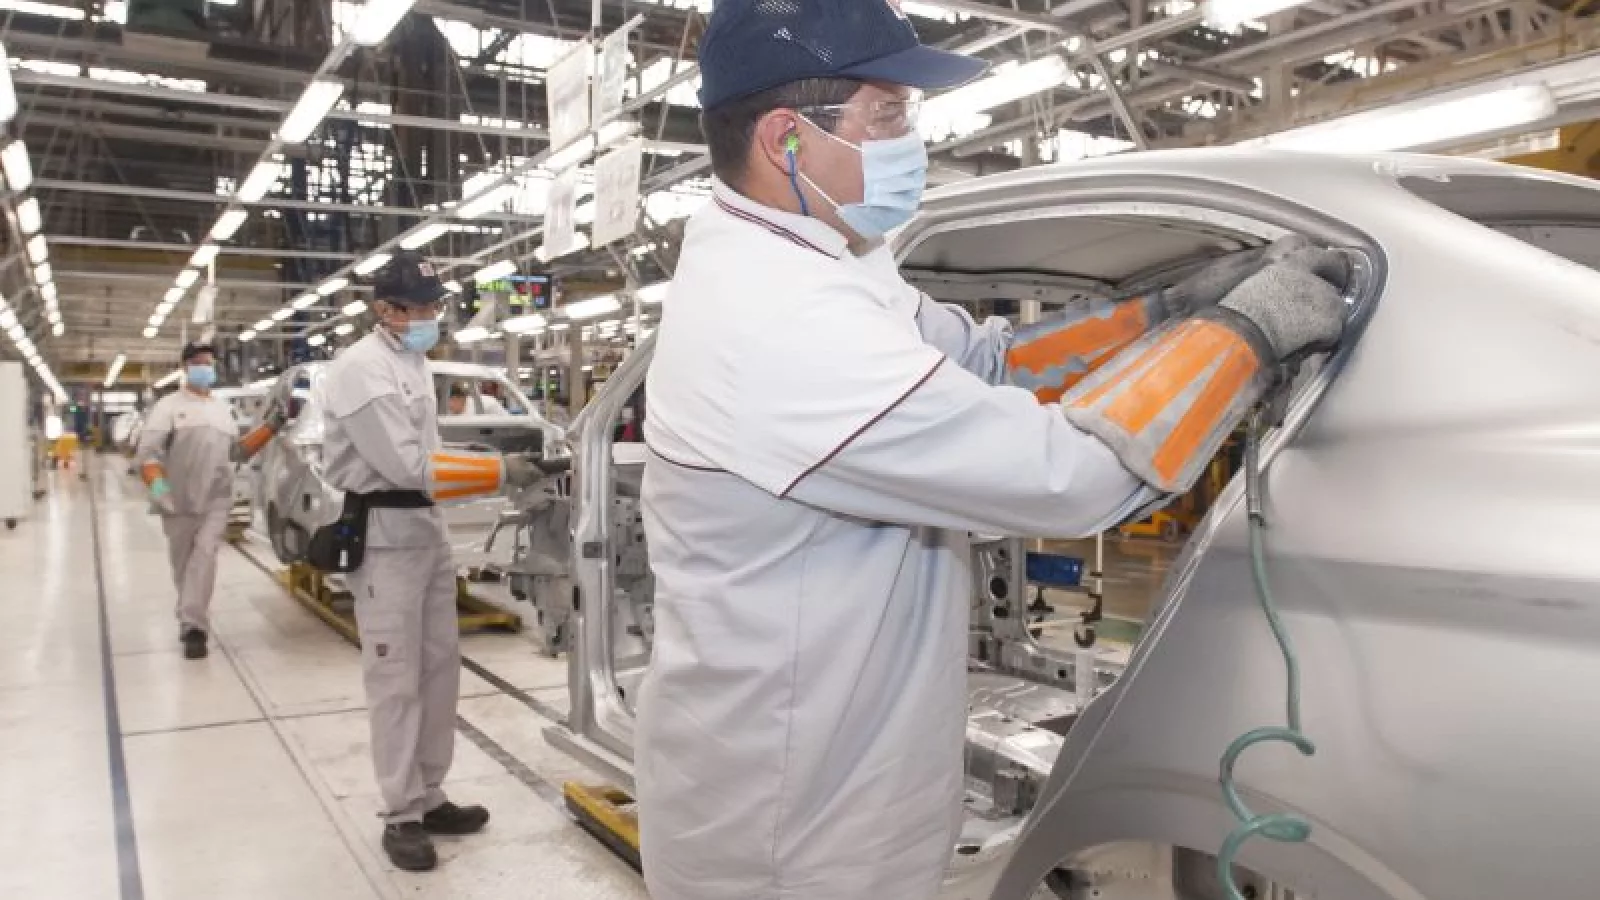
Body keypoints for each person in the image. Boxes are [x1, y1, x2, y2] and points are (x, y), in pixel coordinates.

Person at [633, 2, 1354, 899]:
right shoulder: (776, 321)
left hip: (837, 782)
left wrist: (1165, 315)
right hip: (789, 829)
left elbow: (992, 361)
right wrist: (1244, 337)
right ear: (786, 138)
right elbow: (1074, 478)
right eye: (888, 113)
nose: (912, 140)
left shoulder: (824, 259)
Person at [319, 250, 544, 872]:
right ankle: (401, 813)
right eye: (417, 308)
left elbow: (432, 451)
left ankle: (431, 793)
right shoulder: (361, 369)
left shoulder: (411, 362)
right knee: (395, 679)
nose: (428, 317)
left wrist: (492, 464)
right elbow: (407, 466)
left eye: (433, 306)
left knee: (439, 671)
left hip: (425, 530)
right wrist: (501, 470)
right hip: (385, 537)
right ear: (383, 309)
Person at [137, 342, 286, 660]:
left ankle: (194, 628)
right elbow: (148, 455)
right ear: (185, 367)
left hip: (216, 498)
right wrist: (159, 489)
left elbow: (238, 452)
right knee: (183, 566)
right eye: (198, 362)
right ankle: (188, 614)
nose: (205, 367)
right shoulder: (168, 407)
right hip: (177, 499)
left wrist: (272, 427)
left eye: (209, 362)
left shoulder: (222, 410)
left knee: (204, 557)